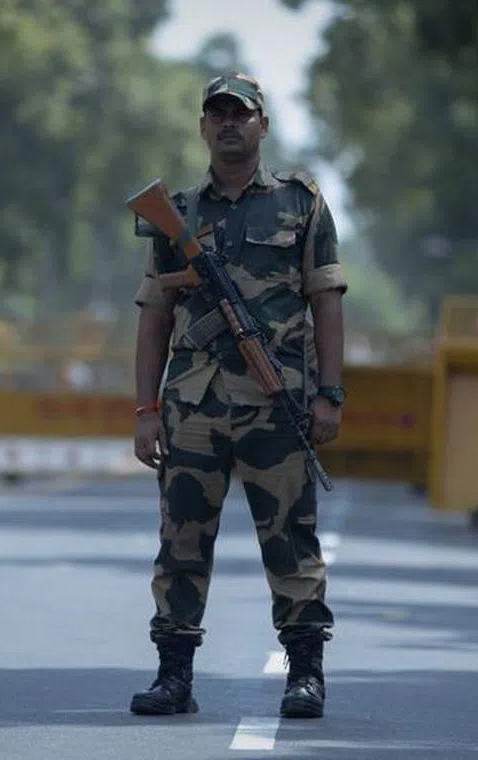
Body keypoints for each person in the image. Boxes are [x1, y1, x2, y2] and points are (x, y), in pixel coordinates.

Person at [128, 71, 348, 720]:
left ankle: (304, 675)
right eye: (217, 112)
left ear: (263, 126)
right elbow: (153, 316)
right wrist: (146, 411)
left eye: (241, 113)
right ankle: (174, 677)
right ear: (202, 126)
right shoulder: (179, 213)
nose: (229, 122)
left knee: (292, 545)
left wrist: (329, 394)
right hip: (192, 409)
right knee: (181, 544)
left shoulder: (300, 204)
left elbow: (327, 302)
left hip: (277, 407)